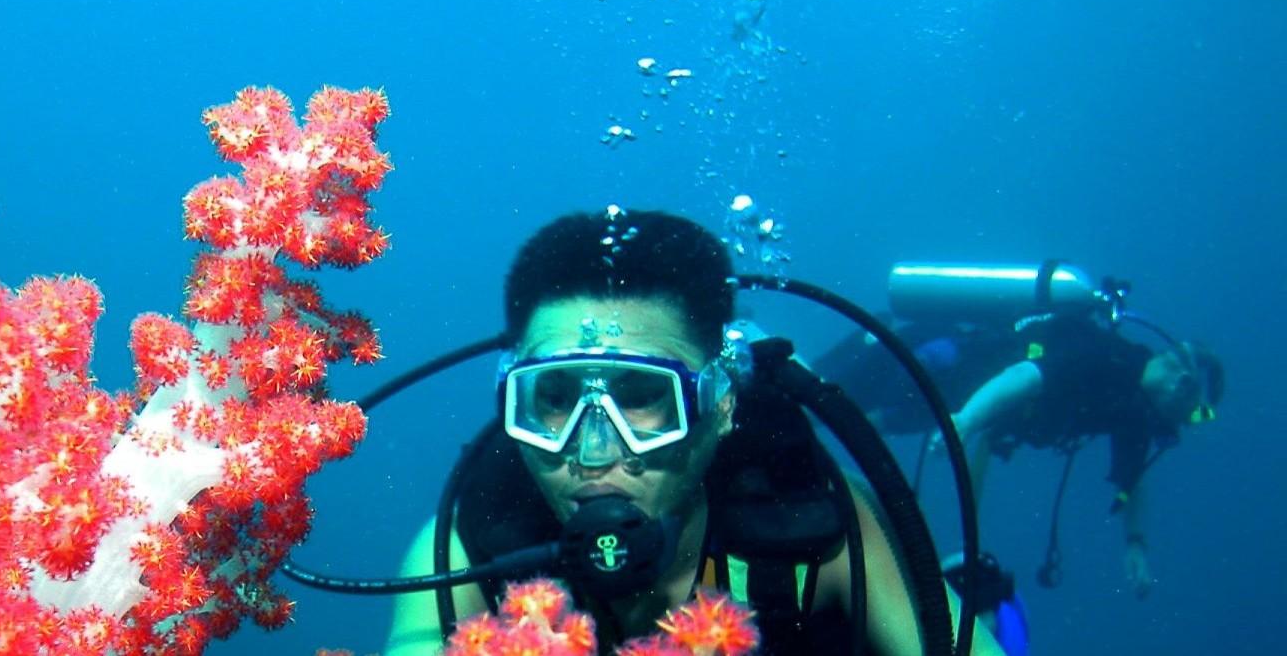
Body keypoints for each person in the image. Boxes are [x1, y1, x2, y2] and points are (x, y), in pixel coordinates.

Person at [383, 208, 1006, 655]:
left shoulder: (814, 524)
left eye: (643, 398)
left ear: (721, 404)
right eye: (553, 399)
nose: (593, 451)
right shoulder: (465, 546)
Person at [949, 312, 1224, 598]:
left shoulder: (1134, 408)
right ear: (1182, 384)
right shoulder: (1104, 357)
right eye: (1198, 414)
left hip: (974, 404)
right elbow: (1024, 375)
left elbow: (1132, 480)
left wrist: (1135, 544)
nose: (1186, 424)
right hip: (964, 366)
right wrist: (968, 420)